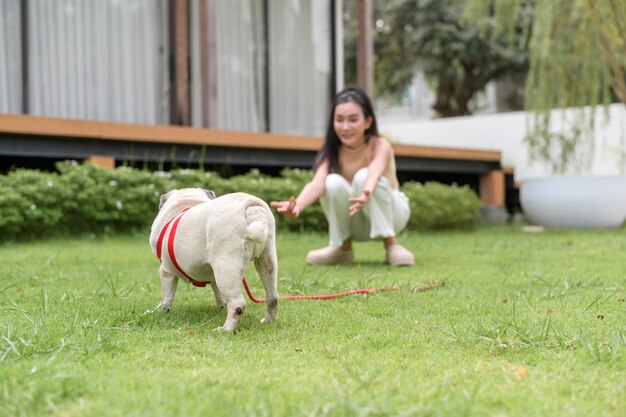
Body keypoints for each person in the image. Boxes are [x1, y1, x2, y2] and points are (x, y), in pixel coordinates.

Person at [270, 86, 414, 266]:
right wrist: (297, 205)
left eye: (353, 119)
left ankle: (391, 243)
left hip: (393, 214)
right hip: (358, 216)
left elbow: (375, 171)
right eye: (339, 120)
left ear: (368, 121)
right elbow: (317, 184)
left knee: (363, 176)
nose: (345, 127)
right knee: (331, 182)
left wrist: (366, 192)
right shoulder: (330, 152)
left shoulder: (379, 145)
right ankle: (342, 248)